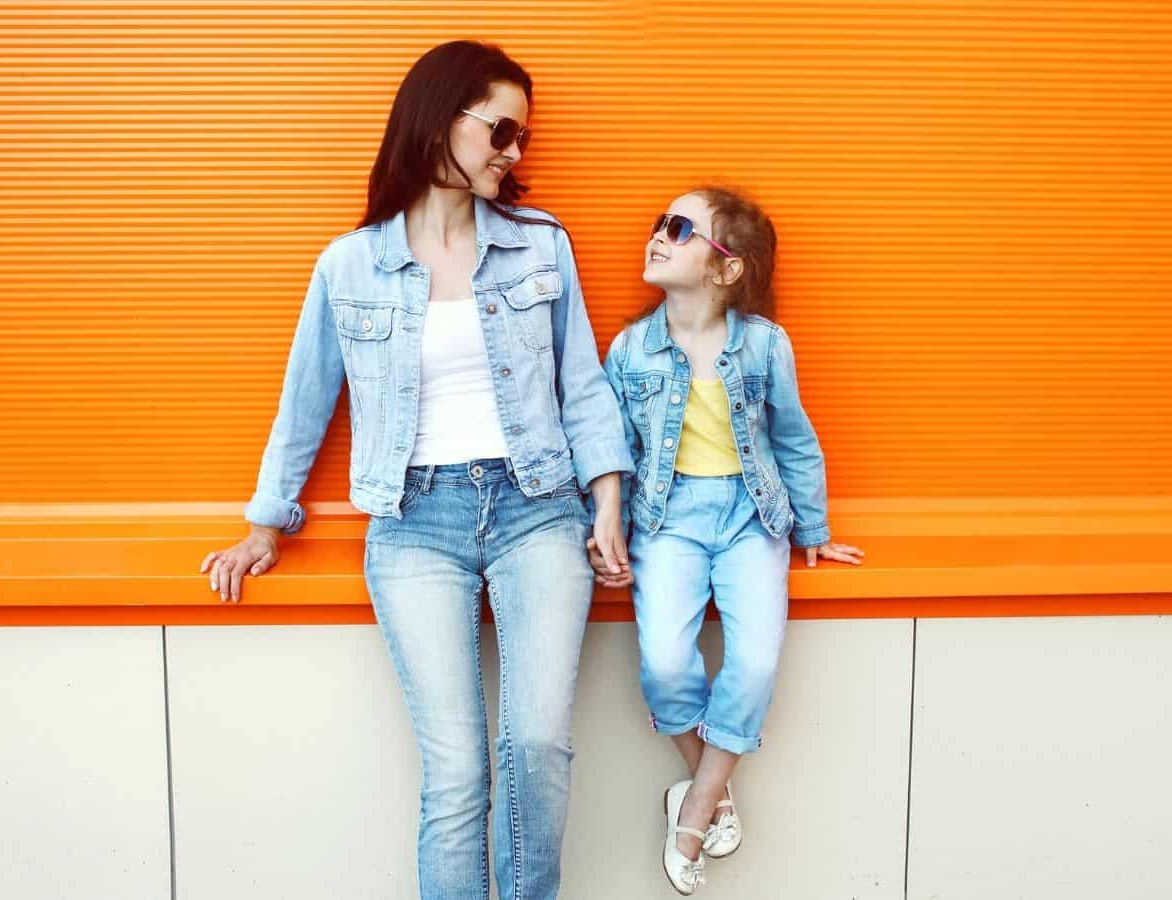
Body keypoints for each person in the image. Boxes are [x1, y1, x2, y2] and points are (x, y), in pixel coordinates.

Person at [198, 41, 633, 900]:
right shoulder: (349, 264)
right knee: (457, 768)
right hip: (414, 521)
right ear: (440, 118)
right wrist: (265, 522)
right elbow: (305, 401)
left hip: (537, 508)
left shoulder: (541, 245)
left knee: (537, 744)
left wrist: (606, 503)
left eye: (523, 140)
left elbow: (581, 385)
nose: (514, 153)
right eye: (502, 130)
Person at [590, 186, 864, 894]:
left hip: (751, 521)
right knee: (666, 664)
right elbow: (608, 447)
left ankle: (696, 808)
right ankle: (710, 785)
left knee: (753, 666)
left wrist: (816, 529)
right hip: (667, 520)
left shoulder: (766, 345)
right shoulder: (630, 350)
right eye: (659, 222)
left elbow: (796, 440)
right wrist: (602, 529)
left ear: (726, 267)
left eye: (680, 229)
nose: (658, 235)